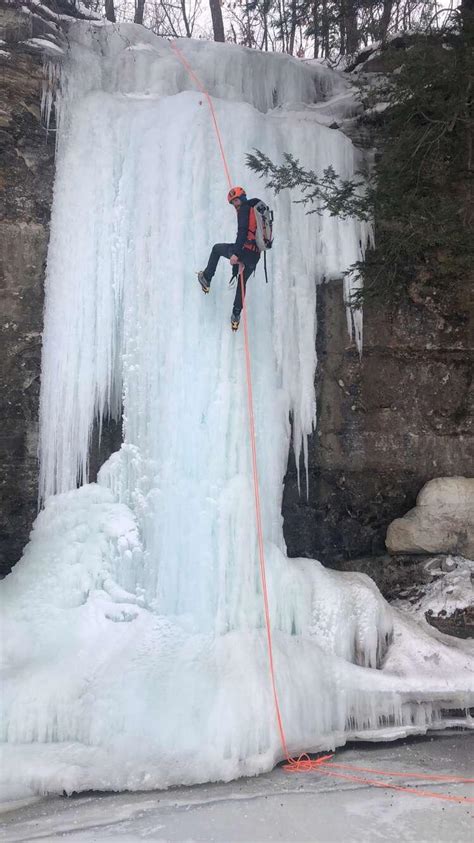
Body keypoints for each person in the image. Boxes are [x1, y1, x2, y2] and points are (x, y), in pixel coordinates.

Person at [197, 186, 261, 331]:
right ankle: (235, 316)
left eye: (236, 201)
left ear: (242, 197)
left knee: (216, 249)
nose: (235, 205)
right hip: (255, 256)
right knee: (242, 282)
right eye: (233, 203)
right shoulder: (255, 209)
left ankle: (206, 278)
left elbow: (242, 233)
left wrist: (236, 254)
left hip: (244, 251)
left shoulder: (245, 209)